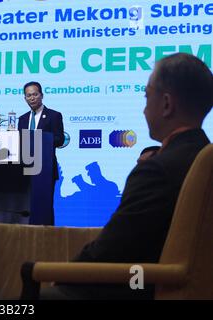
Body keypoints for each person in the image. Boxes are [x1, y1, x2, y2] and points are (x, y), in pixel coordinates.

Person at [40, 52, 213, 299]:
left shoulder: (157, 170)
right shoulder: (202, 159)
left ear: (166, 104)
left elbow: (109, 251)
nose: (143, 110)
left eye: (146, 96)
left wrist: (57, 274)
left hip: (138, 287)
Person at [18, 81, 64, 226]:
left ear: (41, 95)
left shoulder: (54, 115)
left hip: (45, 169)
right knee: (26, 206)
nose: (32, 98)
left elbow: (60, 139)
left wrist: (40, 138)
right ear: (25, 98)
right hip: (25, 169)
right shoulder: (22, 119)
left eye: (35, 94)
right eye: (28, 95)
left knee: (44, 207)